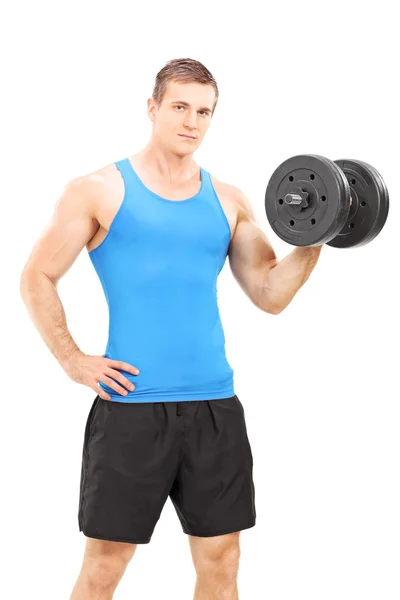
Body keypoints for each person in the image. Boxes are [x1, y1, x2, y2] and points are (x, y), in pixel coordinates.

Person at [20, 58, 322, 600]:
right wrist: (72, 359)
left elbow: (271, 294)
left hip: (214, 407)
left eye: (204, 111)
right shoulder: (97, 189)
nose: (192, 121)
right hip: (131, 406)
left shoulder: (229, 200)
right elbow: (36, 276)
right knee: (104, 567)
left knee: (223, 561)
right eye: (180, 107)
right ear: (153, 108)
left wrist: (316, 235)